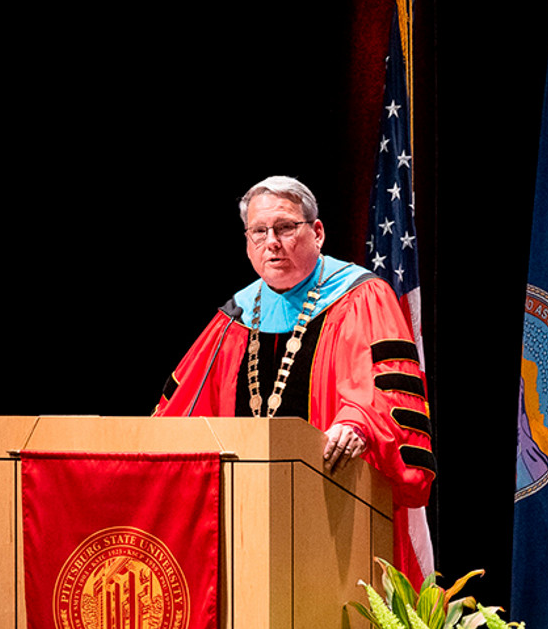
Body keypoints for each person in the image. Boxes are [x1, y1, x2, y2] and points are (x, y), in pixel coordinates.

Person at [155, 176, 436, 582]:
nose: (272, 241)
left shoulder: (360, 296)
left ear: (316, 232)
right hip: (243, 519)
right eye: (259, 231)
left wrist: (359, 424)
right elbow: (178, 411)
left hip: (336, 511)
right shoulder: (233, 318)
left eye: (285, 227)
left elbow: (384, 389)